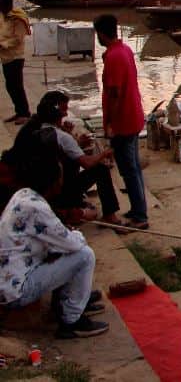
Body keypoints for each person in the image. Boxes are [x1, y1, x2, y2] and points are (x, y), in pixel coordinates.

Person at [0, 143, 109, 339]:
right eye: (60, 176)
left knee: (62, 250)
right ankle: (71, 320)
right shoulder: (36, 207)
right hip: (14, 291)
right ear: (51, 182)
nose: (62, 179)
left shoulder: (23, 195)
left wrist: (65, 235)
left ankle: (71, 301)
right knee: (84, 255)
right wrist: (74, 232)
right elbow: (73, 243)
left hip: (10, 280)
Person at [92, 14, 148, 230]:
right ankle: (137, 209)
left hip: (124, 120)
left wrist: (111, 125)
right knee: (132, 167)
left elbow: (114, 94)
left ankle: (140, 217)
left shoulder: (116, 56)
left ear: (101, 33)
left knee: (129, 169)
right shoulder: (123, 50)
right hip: (133, 116)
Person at [38, 91, 120, 224]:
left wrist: (75, 141)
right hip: (60, 192)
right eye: (64, 110)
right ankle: (110, 215)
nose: (66, 114)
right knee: (101, 170)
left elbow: (62, 153)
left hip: (46, 190)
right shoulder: (61, 137)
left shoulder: (38, 131)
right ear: (57, 113)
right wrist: (104, 154)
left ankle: (74, 203)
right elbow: (86, 163)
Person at [0, 0, 31, 125]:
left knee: (16, 86)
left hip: (15, 56)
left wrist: (3, 44)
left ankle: (25, 113)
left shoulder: (18, 18)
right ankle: (19, 112)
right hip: (5, 57)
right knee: (10, 86)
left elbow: (18, 39)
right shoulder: (4, 16)